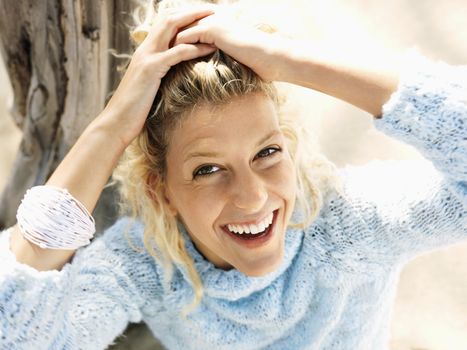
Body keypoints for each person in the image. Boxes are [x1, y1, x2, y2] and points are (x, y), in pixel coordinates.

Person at [1, 1, 466, 349]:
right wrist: (112, 125)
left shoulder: (352, 224)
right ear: (159, 191)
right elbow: (17, 332)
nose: (251, 197)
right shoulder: (151, 265)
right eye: (207, 169)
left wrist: (288, 60)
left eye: (267, 152)